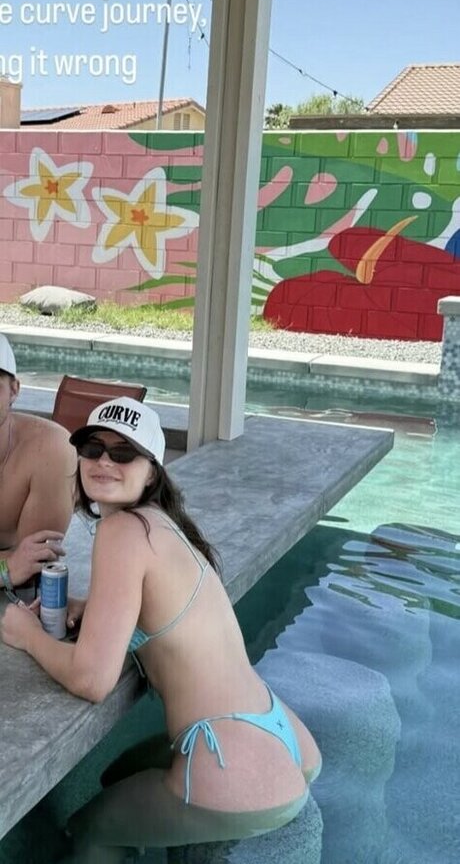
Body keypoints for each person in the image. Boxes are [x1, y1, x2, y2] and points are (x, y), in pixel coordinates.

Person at [1, 396, 321, 862]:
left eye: (123, 453)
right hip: (277, 732)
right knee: (118, 776)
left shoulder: (123, 532)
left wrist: (24, 633)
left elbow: (91, 680)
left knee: (89, 830)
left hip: (228, 760)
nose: (104, 462)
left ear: (152, 472)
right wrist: (90, 608)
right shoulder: (161, 524)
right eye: (92, 449)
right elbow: (157, 607)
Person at [0, 333, 76, 594]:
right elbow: (14, 567)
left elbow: (32, 564)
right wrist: (7, 565)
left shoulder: (49, 448)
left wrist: (13, 566)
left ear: (14, 390)